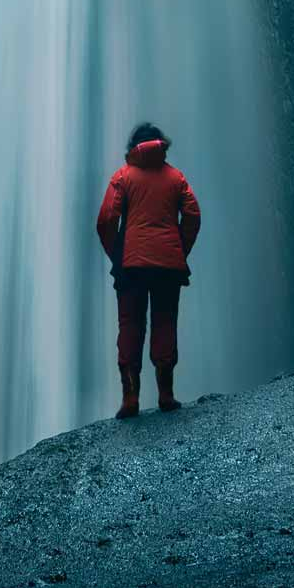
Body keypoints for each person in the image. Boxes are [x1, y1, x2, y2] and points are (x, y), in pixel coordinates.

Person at [96, 122, 201, 419]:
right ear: (161, 145)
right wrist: (179, 249)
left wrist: (116, 253)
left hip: (131, 267)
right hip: (168, 266)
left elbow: (106, 219)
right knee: (165, 322)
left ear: (134, 147)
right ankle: (166, 394)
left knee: (130, 326)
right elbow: (193, 214)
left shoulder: (123, 177)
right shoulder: (176, 178)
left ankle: (131, 398)